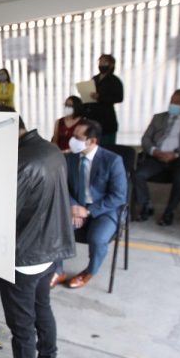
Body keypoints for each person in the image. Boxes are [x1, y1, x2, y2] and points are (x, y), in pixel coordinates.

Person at [0, 117, 75, 358]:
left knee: (21, 325)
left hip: (24, 256)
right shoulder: (50, 150)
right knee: (42, 309)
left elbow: (4, 215)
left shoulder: (20, 163)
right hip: (51, 248)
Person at [50, 122, 127, 289]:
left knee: (97, 239)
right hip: (77, 207)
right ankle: (58, 270)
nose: (72, 140)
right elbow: (63, 186)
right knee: (56, 228)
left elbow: (118, 196)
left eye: (78, 138)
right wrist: (73, 206)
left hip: (104, 210)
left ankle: (89, 272)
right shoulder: (69, 158)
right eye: (73, 136)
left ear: (92, 141)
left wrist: (88, 211)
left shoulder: (112, 161)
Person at [134, 89, 180, 226]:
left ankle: (169, 211)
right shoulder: (158, 117)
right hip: (157, 157)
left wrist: (176, 154)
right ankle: (146, 205)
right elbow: (146, 138)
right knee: (138, 174)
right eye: (172, 101)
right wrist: (154, 151)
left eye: (178, 102)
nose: (173, 104)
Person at [84, 54, 124, 146]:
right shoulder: (94, 79)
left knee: (106, 147)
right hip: (92, 117)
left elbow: (119, 98)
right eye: (100, 62)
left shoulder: (115, 81)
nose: (101, 64)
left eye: (104, 62)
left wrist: (100, 97)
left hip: (107, 119)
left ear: (111, 65)